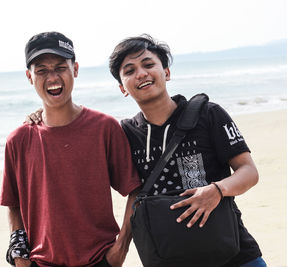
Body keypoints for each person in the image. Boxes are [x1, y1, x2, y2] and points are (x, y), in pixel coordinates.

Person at [108, 34, 267, 267]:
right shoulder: (126, 133)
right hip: (166, 256)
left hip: (233, 253)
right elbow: (134, 193)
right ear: (122, 87)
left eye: (149, 64)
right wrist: (122, 244)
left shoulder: (208, 114)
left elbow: (248, 171)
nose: (141, 73)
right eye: (129, 70)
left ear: (167, 72)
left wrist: (217, 190)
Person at [0, 31, 140, 267]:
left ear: (75, 69)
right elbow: (14, 203)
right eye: (41, 70)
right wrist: (20, 256)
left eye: (60, 67)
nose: (52, 77)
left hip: (100, 261)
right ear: (29, 77)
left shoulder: (105, 128)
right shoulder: (18, 139)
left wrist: (120, 249)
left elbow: (135, 190)